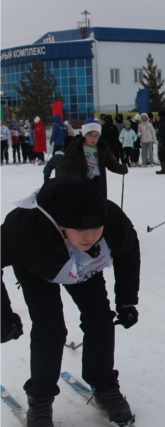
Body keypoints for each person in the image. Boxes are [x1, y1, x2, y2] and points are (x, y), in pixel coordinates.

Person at [1, 177, 139, 427]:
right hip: (39, 265)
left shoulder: (112, 221)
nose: (89, 237)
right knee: (50, 329)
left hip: (85, 266)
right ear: (62, 224)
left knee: (100, 319)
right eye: (80, 230)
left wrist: (127, 301)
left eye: (96, 229)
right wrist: (3, 315)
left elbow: (128, 253)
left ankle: (104, 385)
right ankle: (40, 401)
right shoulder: (23, 228)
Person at [58, 118, 128, 197]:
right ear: (84, 134)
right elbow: (64, 167)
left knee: (99, 205)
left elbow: (110, 161)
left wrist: (119, 168)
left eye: (96, 136)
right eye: (90, 135)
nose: (93, 139)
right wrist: (72, 179)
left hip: (97, 180)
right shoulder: (75, 147)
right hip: (81, 181)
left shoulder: (102, 147)